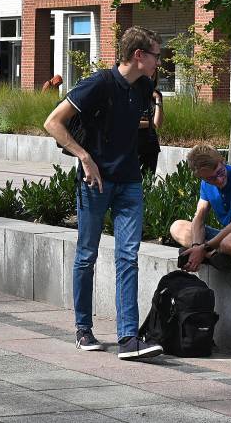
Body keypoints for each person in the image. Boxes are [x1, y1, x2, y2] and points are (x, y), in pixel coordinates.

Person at [43, 25, 165, 360]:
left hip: (129, 182)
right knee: (87, 255)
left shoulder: (143, 87)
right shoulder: (98, 83)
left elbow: (133, 125)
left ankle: (128, 338)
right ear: (138, 55)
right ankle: (83, 330)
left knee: (129, 257)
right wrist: (84, 156)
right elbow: (53, 122)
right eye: (156, 55)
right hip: (95, 183)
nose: (159, 61)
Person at [136, 72, 165, 179]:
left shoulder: (157, 95)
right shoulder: (132, 93)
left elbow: (158, 123)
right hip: (134, 145)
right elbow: (132, 123)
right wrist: (151, 124)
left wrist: (158, 100)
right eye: (146, 75)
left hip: (151, 146)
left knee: (148, 183)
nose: (149, 78)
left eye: (153, 76)